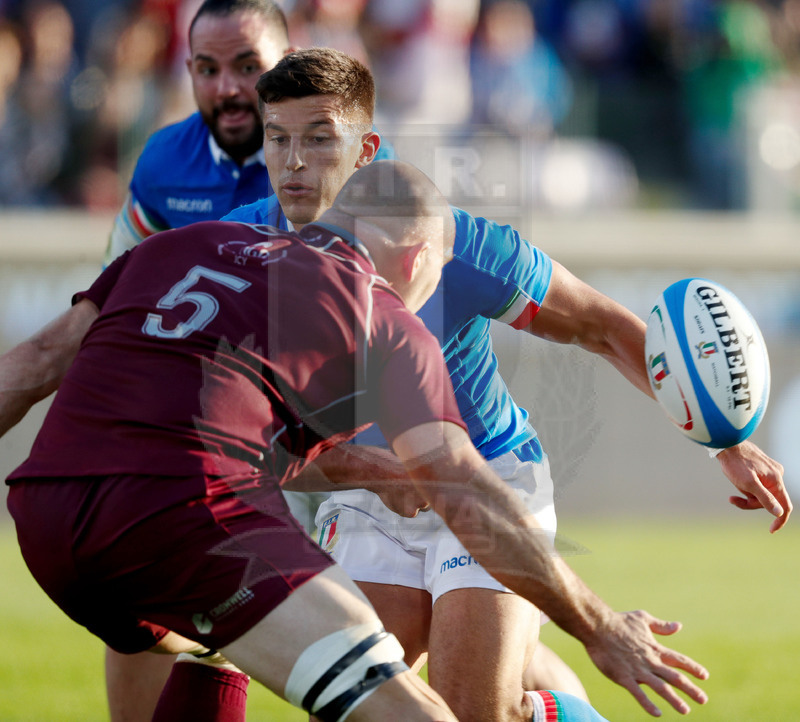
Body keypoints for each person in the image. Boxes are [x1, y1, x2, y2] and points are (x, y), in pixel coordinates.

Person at [3, 161, 709, 722]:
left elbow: (35, 365)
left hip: (46, 519)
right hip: (189, 520)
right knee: (416, 713)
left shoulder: (183, 246)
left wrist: (372, 472)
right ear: (421, 255)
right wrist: (599, 626)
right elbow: (461, 493)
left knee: (211, 644)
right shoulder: (380, 315)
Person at [220, 48, 791, 721]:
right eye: (278, 138)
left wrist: (718, 440)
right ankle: (532, 671)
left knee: (472, 710)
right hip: (369, 496)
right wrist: (372, 472)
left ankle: (531, 689)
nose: (293, 162)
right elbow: (240, 440)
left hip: (485, 482)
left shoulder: (446, 242)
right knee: (369, 708)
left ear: (366, 148)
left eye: (319, 139)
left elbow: (600, 327)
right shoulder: (237, 254)